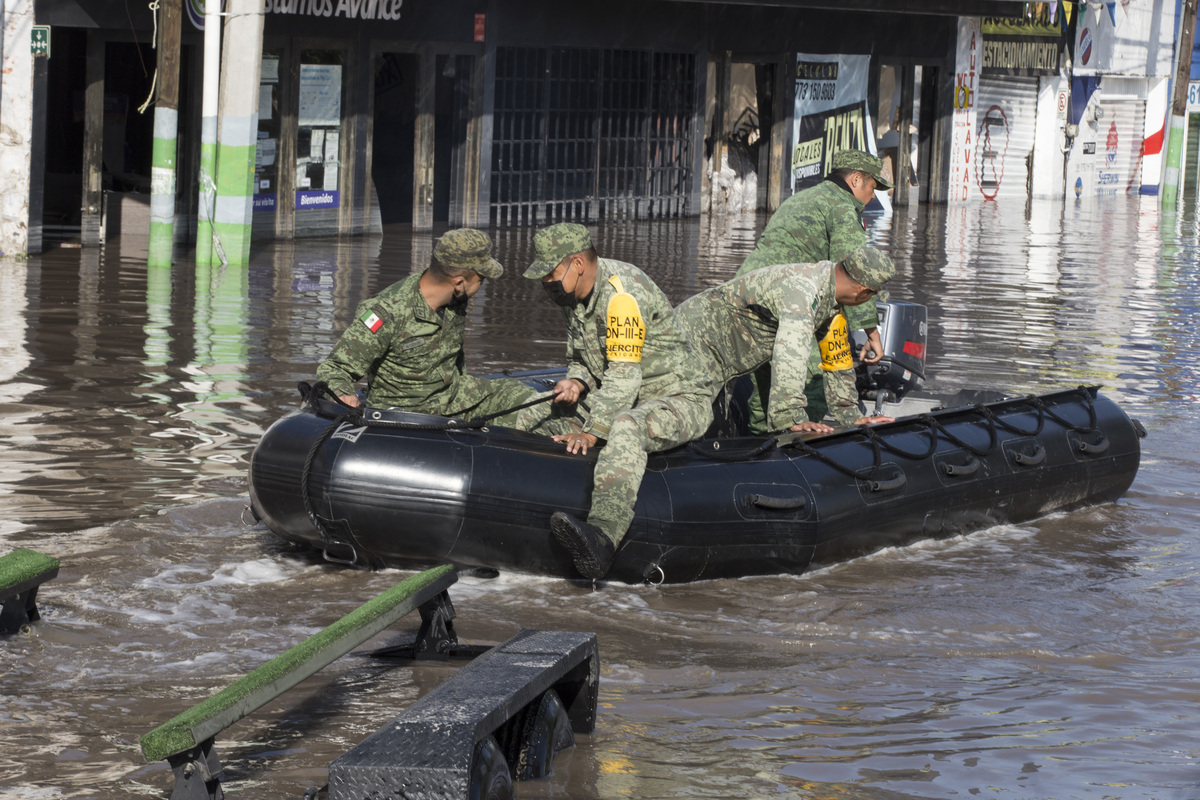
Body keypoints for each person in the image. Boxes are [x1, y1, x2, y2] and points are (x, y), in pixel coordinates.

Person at [515, 223, 714, 580]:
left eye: (551, 273)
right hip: (621, 394)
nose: (546, 283)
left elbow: (625, 374)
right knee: (538, 406)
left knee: (624, 427)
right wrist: (576, 380)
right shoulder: (574, 297)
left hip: (677, 397)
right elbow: (583, 357)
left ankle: (603, 538)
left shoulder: (623, 296)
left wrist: (592, 432)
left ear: (577, 264)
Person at [736, 148, 893, 431]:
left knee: (765, 387)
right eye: (873, 186)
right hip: (792, 304)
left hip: (746, 300)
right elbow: (858, 274)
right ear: (856, 180)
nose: (874, 196)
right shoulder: (844, 209)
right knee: (816, 380)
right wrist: (871, 332)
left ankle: (759, 443)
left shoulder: (803, 198)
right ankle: (804, 448)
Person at [316, 228, 535, 424]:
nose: (483, 283)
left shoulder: (456, 300)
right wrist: (343, 394)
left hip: (454, 398)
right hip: (407, 413)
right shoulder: (386, 311)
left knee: (529, 399)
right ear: (459, 282)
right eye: (482, 279)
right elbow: (335, 367)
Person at [676, 246, 896, 435]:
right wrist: (791, 417)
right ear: (863, 291)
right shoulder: (803, 290)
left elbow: (837, 359)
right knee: (683, 420)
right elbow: (791, 354)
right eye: (872, 296)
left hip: (722, 355)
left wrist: (851, 416)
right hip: (695, 339)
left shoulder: (831, 299)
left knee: (707, 423)